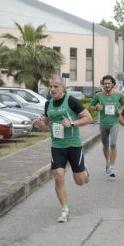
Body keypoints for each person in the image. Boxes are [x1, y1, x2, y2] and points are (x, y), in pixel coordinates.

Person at [33, 76, 92, 223]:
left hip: (73, 145)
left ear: (63, 88)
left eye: (55, 87)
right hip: (57, 146)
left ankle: (84, 172)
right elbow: (47, 124)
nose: (52, 89)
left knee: (80, 181)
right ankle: (65, 210)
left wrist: (71, 123)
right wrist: (40, 125)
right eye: (50, 86)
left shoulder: (71, 101)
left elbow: (88, 118)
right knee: (58, 176)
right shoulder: (48, 104)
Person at [90, 75, 124, 178]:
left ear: (113, 84)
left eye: (109, 83)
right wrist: (96, 107)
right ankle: (108, 162)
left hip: (114, 122)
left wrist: (121, 110)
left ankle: (112, 167)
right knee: (105, 145)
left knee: (113, 144)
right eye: (105, 83)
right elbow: (90, 107)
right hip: (103, 123)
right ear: (103, 84)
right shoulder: (98, 95)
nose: (107, 85)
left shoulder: (118, 95)